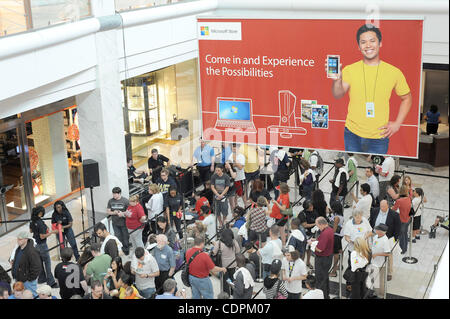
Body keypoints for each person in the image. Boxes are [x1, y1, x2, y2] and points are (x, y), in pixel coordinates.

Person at [328, 24, 412, 154]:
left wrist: (397, 124)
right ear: (358, 46)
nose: (368, 45)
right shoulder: (349, 70)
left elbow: (407, 98)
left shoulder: (394, 72)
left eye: (372, 41)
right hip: (352, 133)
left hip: (379, 138)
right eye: (363, 42)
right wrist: (336, 80)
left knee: (376, 173)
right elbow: (338, 94)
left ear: (380, 43)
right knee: (352, 171)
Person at [369, 200, 400, 281]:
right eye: (381, 206)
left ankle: (389, 272)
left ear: (388, 206)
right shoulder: (375, 210)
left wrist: (394, 239)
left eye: (384, 207)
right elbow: (371, 222)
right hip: (375, 236)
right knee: (375, 252)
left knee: (389, 255)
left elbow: (397, 228)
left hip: (387, 238)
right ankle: (374, 269)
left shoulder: (394, 215)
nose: (382, 208)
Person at [343, 209, 373, 291]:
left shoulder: (365, 220)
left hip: (364, 249)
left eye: (360, 217)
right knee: (352, 266)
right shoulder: (349, 224)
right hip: (353, 250)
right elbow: (346, 236)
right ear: (353, 217)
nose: (359, 219)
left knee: (364, 266)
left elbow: (371, 231)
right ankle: (349, 283)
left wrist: (366, 236)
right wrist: (352, 242)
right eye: (357, 218)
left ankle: (362, 282)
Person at [29, 206, 58, 288]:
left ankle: (42, 278)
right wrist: (52, 232)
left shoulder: (32, 220)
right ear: (40, 213)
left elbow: (31, 231)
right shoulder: (40, 223)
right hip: (42, 245)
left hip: (35, 244)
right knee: (47, 263)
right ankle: (51, 282)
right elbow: (42, 236)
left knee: (40, 261)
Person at [310, 217, 334, 299]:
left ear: (321, 224)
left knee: (320, 280)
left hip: (322, 259)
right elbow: (323, 241)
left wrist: (311, 244)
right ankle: (326, 295)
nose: (317, 227)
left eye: (317, 225)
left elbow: (319, 249)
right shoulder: (329, 229)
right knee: (325, 278)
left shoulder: (325, 233)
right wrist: (316, 240)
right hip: (328, 257)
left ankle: (321, 296)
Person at [212, 228, 240, 294]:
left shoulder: (219, 243)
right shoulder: (234, 241)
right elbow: (238, 251)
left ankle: (226, 294)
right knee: (233, 279)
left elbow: (214, 253)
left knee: (225, 282)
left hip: (223, 266)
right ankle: (234, 292)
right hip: (233, 264)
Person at [106, 187, 130, 256]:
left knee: (125, 237)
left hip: (124, 223)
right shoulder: (110, 201)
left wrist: (122, 214)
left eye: (115, 194)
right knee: (118, 237)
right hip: (115, 223)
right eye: (113, 194)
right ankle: (120, 250)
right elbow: (108, 211)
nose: (114, 196)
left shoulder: (125, 201)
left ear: (119, 193)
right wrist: (114, 213)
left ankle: (126, 250)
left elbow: (129, 212)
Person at [371, 224, 391, 297]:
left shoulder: (385, 240)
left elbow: (388, 254)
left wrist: (377, 254)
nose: (375, 230)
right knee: (373, 279)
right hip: (373, 262)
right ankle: (375, 292)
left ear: (381, 232)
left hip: (380, 265)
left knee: (380, 281)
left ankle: (381, 295)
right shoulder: (376, 236)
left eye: (377, 229)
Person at [392, 185, 412, 254]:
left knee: (401, 235)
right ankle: (405, 248)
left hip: (402, 219)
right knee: (405, 234)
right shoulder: (409, 198)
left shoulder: (399, 201)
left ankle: (402, 249)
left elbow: (393, 209)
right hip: (408, 218)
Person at [298, 200, 319, 269]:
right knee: (303, 250)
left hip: (312, 235)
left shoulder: (314, 212)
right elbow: (305, 225)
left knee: (309, 249)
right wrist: (315, 224)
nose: (312, 207)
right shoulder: (302, 214)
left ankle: (308, 262)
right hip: (304, 235)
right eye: (311, 206)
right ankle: (301, 265)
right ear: (307, 207)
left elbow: (317, 219)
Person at [328, 201, 345, 277]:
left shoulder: (336, 218)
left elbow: (333, 230)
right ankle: (340, 265)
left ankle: (334, 271)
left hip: (335, 236)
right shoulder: (340, 216)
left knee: (335, 254)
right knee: (340, 250)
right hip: (339, 236)